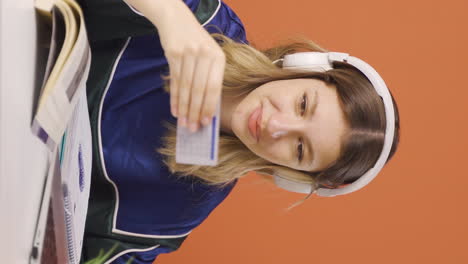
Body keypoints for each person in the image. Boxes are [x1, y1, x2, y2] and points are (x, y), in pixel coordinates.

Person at [79, 0, 400, 263]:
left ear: (290, 173)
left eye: (299, 149)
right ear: (304, 68)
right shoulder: (209, 23)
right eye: (303, 104)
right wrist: (168, 13)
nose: (276, 126)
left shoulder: (188, 201)